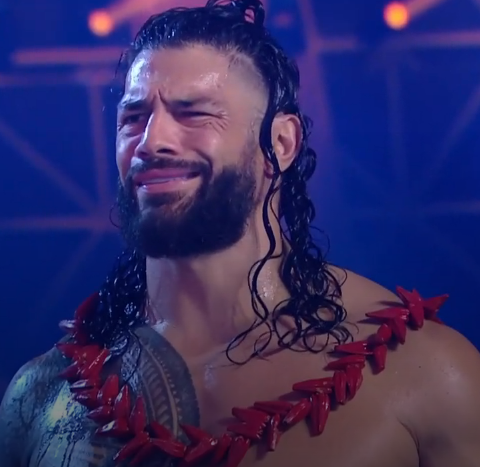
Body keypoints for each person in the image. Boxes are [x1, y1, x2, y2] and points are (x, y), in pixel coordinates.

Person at [2, 0, 480, 466]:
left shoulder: (425, 374)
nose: (151, 141)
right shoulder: (44, 394)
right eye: (133, 117)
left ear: (281, 143)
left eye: (193, 113)